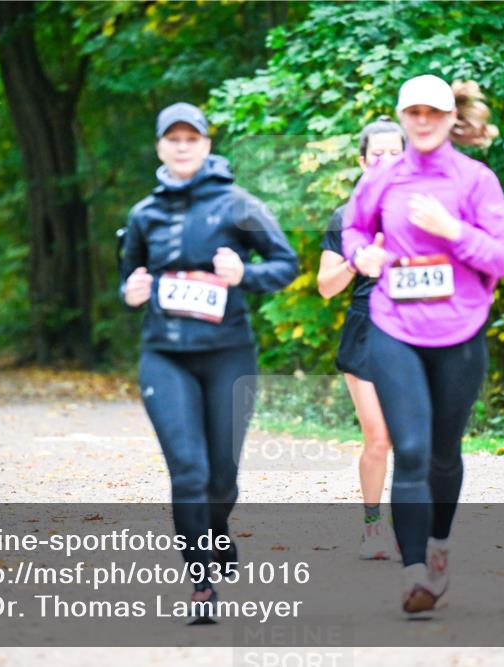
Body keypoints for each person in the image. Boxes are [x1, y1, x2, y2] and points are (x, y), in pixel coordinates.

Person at [342, 75, 504, 613]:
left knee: (444, 453)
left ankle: (438, 544)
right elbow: (353, 229)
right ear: (402, 117)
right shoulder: (382, 178)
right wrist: (362, 256)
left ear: (450, 118)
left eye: (433, 112)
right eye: (413, 112)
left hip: (459, 329)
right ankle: (414, 572)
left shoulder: (475, 180)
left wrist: (452, 230)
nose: (422, 121)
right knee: (412, 450)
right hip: (394, 327)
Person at [119, 102, 299, 623]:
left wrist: (245, 274)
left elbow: (286, 264)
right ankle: (200, 583)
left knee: (221, 479)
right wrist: (130, 292)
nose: (182, 147)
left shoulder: (238, 204)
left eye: (191, 138)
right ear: (159, 147)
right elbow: (128, 276)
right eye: (172, 139)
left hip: (228, 355)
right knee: (189, 471)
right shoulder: (143, 213)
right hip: (165, 356)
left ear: (205, 144)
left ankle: (216, 529)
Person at [316, 116, 405, 560]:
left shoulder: (425, 208)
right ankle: (373, 526)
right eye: (377, 154)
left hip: (417, 329)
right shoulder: (346, 216)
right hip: (366, 330)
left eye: (395, 153)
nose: (386, 161)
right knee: (379, 437)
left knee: (413, 439)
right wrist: (356, 263)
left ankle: (414, 526)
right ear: (362, 161)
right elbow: (325, 287)